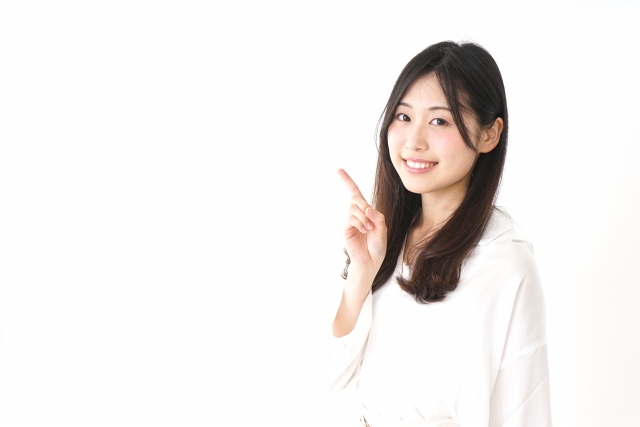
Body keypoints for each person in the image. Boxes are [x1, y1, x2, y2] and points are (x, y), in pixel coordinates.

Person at [324, 41, 552, 427]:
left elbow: (524, 411)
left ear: (489, 134)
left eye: (439, 121)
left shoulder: (504, 261)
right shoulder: (383, 240)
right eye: (403, 116)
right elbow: (333, 378)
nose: (413, 141)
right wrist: (361, 274)